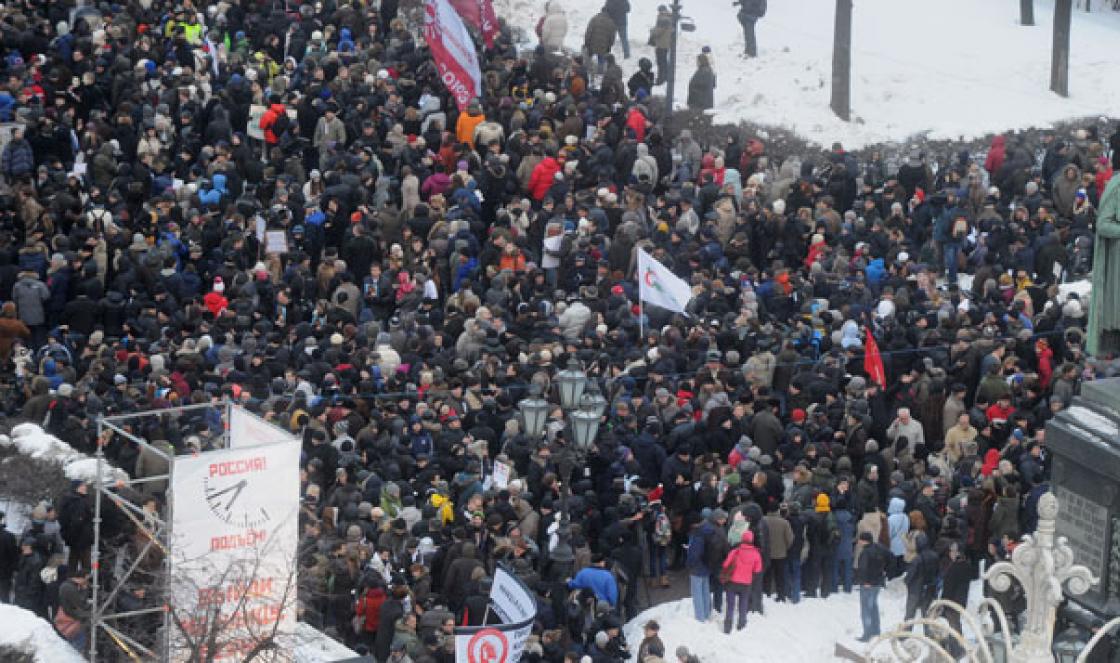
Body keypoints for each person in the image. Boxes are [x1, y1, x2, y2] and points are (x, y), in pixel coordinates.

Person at [855, 531, 889, 642]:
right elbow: (890, 557)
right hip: (878, 582)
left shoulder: (865, 552)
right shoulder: (879, 548)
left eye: (860, 539)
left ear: (864, 540)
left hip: (868, 585)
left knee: (866, 609)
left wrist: (864, 581)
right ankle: (876, 630)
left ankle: (867, 634)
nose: (858, 542)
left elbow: (863, 568)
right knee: (874, 607)